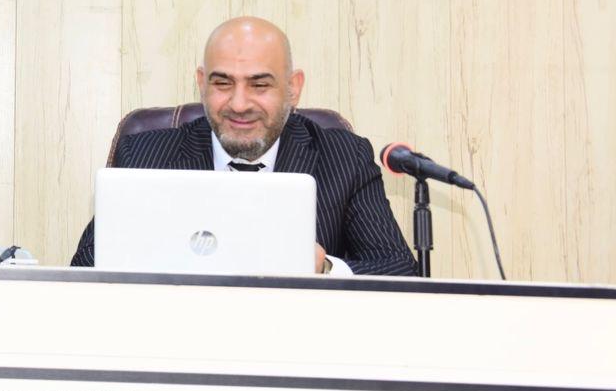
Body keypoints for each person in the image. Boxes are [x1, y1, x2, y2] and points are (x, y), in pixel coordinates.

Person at [71, 16, 416, 276]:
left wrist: (325, 268)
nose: (239, 104)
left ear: (293, 88)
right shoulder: (144, 156)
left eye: (259, 85)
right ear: (202, 83)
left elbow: (398, 269)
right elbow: (84, 268)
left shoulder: (344, 157)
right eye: (222, 83)